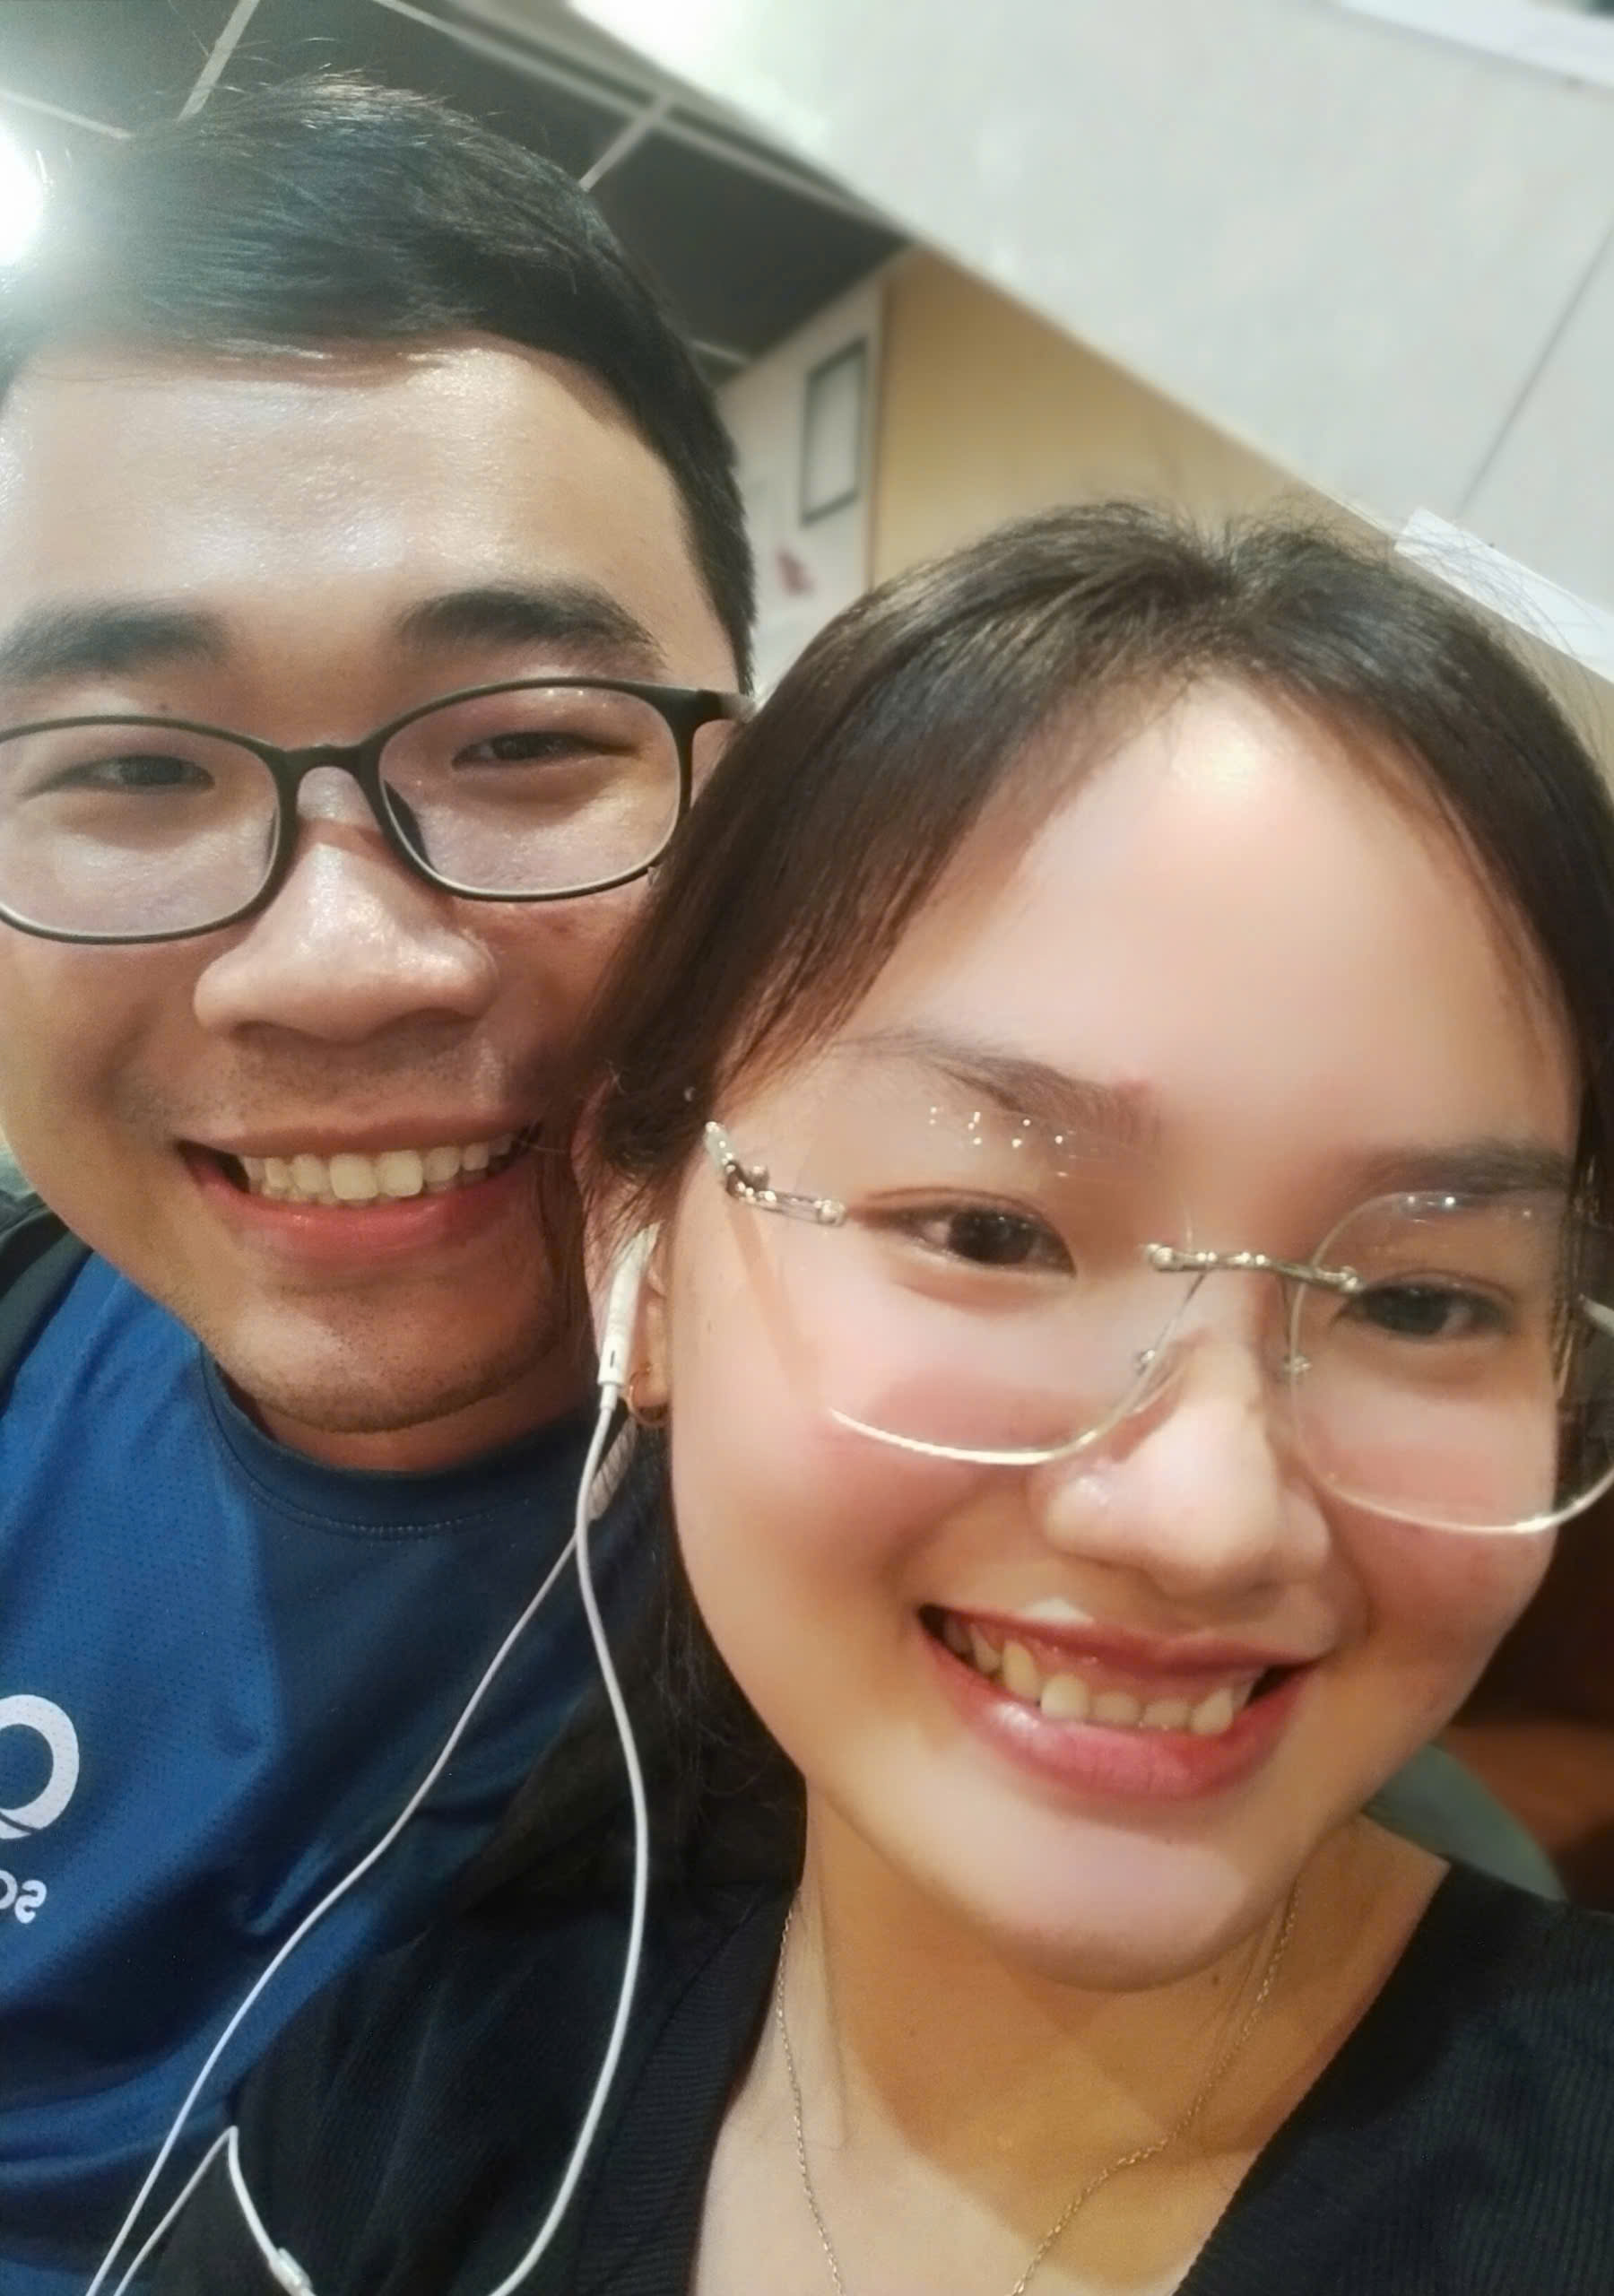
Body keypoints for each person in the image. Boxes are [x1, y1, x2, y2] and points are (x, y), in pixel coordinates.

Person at [160, 503, 1614, 2293]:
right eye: (990, 1229)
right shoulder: (411, 2109)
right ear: (637, 1250)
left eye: (1424, 1299)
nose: (1208, 1516)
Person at [0, 75, 751, 2294]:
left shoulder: (945, 1613)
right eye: (131, 768)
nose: (334, 964)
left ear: (765, 793)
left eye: (522, 741)